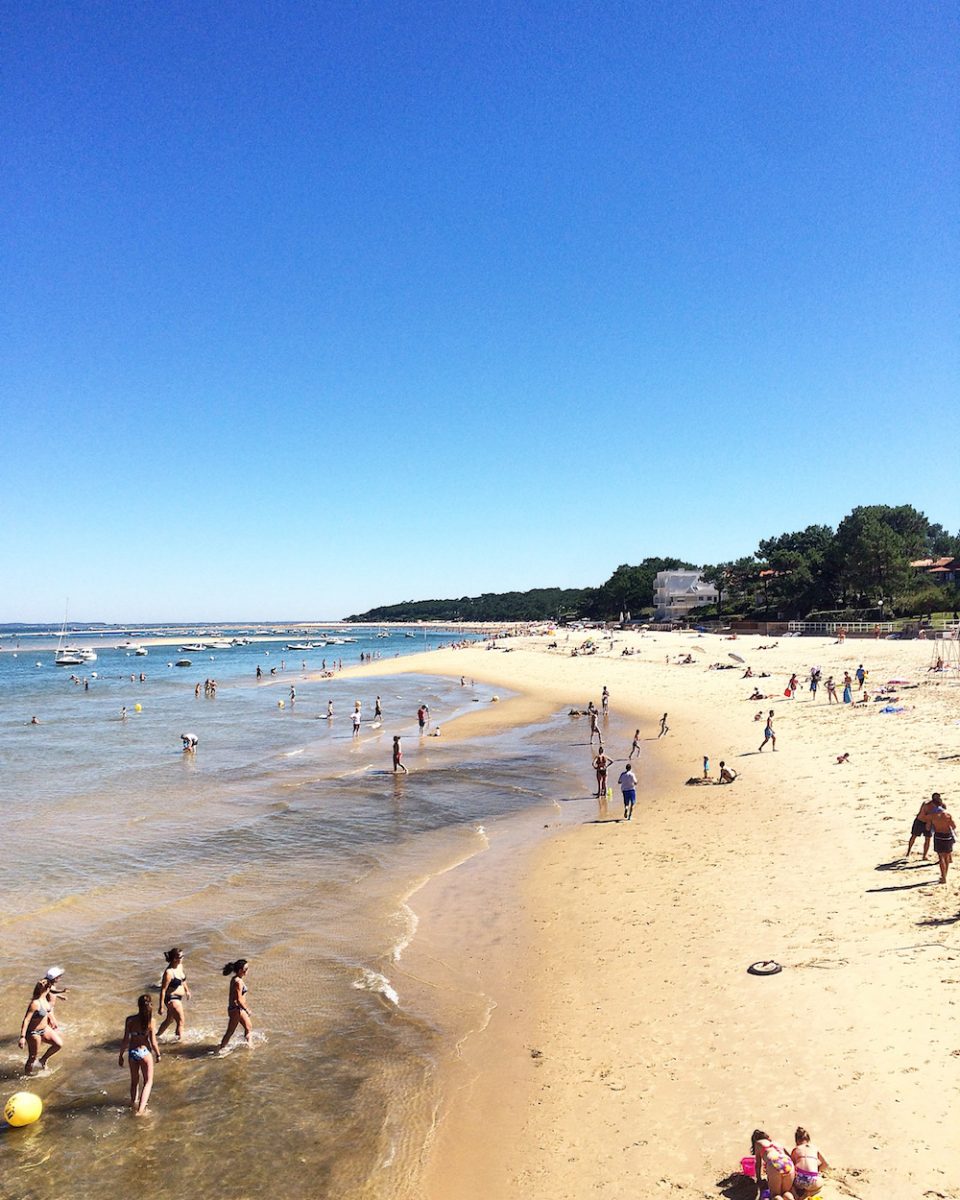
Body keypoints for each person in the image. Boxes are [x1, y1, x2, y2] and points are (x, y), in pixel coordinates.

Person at [119, 994, 161, 1115]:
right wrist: (158, 1054)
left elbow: (125, 1040)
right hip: (145, 1053)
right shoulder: (151, 1021)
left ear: (138, 1006)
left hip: (133, 1053)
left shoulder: (130, 1020)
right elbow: (153, 1042)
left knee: (134, 1081)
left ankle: (133, 1104)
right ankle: (141, 1110)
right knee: (148, 1082)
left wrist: (121, 1055)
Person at [18, 976, 65, 1073]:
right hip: (34, 1033)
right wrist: (22, 1037)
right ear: (46, 989)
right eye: (50, 987)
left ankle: (43, 1060)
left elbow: (47, 1010)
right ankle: (27, 1075)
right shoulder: (35, 1003)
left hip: (45, 1029)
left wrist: (51, 1019)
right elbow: (26, 1020)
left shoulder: (44, 999)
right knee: (32, 1057)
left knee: (58, 1044)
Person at [751, 1130, 796, 1199]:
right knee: (786, 1193)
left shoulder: (758, 1143)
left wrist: (759, 1179)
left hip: (774, 1161)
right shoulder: (777, 1143)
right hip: (787, 1161)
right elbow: (790, 1157)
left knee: (776, 1195)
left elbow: (758, 1165)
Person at [157, 948, 191, 1040]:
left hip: (177, 998)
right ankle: (180, 1042)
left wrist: (187, 990)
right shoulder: (169, 973)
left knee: (169, 1020)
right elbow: (163, 990)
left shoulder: (180, 966)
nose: (183, 958)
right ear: (175, 959)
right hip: (172, 999)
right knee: (181, 1021)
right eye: (181, 957)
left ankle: (156, 1036)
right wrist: (161, 1006)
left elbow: (183, 980)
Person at [218, 959, 252, 1050]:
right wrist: (247, 1009)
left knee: (248, 1027)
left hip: (237, 1009)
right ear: (240, 970)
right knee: (230, 1031)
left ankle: (249, 1047)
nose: (248, 970)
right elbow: (239, 999)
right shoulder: (238, 982)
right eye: (246, 968)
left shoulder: (236, 979)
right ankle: (221, 1049)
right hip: (236, 1009)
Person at [791, 1127, 828, 1197]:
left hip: (799, 1181)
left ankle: (796, 1194)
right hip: (812, 1181)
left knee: (792, 1183)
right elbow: (826, 1164)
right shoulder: (815, 1148)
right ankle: (809, 1193)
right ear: (808, 1139)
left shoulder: (795, 1150)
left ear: (796, 1140)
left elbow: (792, 1166)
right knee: (821, 1183)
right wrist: (817, 1170)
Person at [928, 796, 955, 884]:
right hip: (947, 836)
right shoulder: (947, 815)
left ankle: (943, 876)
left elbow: (928, 827)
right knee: (947, 857)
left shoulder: (932, 815)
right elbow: (954, 826)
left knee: (941, 858)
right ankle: (944, 876)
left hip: (938, 836)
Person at [906, 794, 938, 859]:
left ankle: (924, 855)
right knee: (914, 836)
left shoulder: (937, 805)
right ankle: (908, 851)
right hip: (920, 821)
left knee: (928, 839)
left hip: (929, 822)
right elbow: (926, 815)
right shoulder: (927, 804)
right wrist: (929, 823)